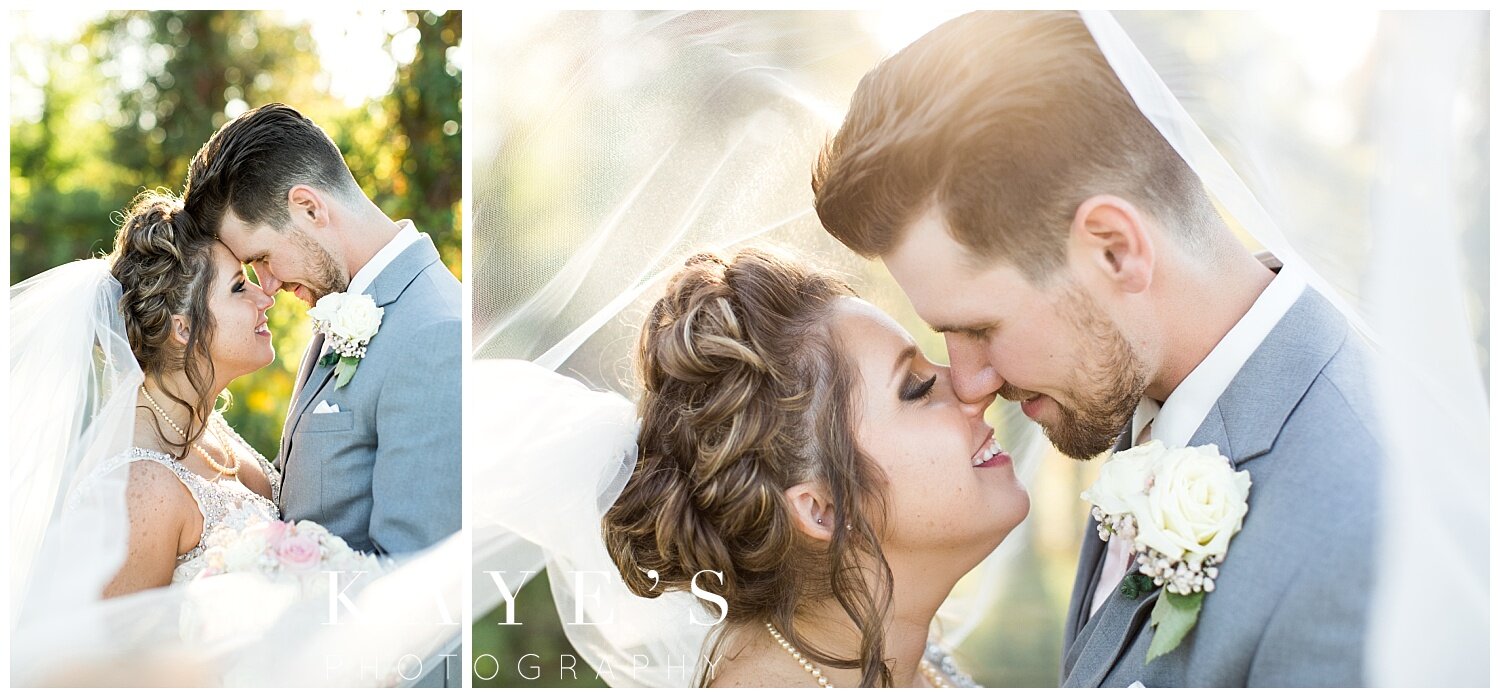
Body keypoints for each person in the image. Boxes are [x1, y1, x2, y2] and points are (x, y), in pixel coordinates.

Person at [812, 10, 1382, 687]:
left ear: (1114, 250)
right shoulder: (1143, 390)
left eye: (981, 329)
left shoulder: (1359, 544)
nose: (969, 383)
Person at [182, 103, 462, 560]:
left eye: (262, 259)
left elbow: (416, 585)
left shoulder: (433, 336)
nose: (267, 287)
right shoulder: (343, 301)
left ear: (309, 208)